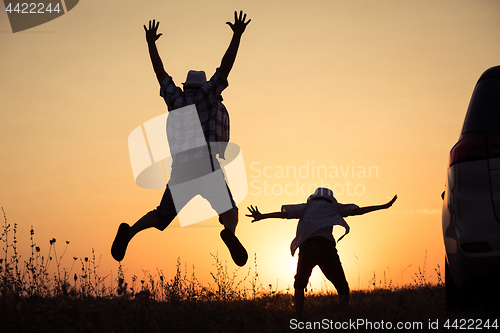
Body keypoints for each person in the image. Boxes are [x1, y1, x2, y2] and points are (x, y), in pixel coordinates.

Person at [112, 11, 251, 267]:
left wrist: (151, 44)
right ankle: (229, 234)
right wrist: (236, 36)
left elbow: (160, 72)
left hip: (181, 169)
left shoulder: (175, 99)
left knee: (162, 215)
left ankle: (130, 232)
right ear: (202, 86)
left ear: (186, 86)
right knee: (229, 212)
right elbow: (225, 69)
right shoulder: (207, 97)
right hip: (206, 166)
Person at [246, 187, 397, 317]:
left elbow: (284, 215)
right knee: (342, 287)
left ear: (313, 197)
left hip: (307, 248)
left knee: (299, 285)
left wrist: (262, 216)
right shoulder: (335, 207)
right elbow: (359, 211)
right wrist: (384, 206)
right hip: (326, 248)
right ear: (330, 199)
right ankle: (343, 317)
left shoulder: (306, 206)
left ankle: (299, 317)